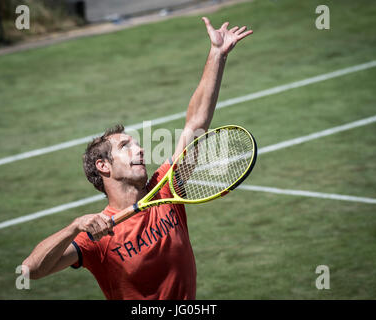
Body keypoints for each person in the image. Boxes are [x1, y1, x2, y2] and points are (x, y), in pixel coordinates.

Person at [22, 17, 253, 300]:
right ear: (103, 166)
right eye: (126, 147)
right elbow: (30, 270)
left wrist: (217, 54)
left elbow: (195, 124)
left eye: (137, 144)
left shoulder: (165, 187)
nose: (140, 150)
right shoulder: (97, 235)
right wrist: (73, 228)